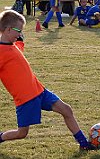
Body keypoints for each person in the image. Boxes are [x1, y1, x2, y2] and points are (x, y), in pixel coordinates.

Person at [0, 10, 94, 150]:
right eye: (18, 31)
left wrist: (19, 37)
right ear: (7, 30)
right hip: (26, 99)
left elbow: (19, 46)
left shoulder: (13, 45)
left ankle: (84, 144)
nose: (20, 34)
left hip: (40, 91)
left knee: (66, 110)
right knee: (22, 133)